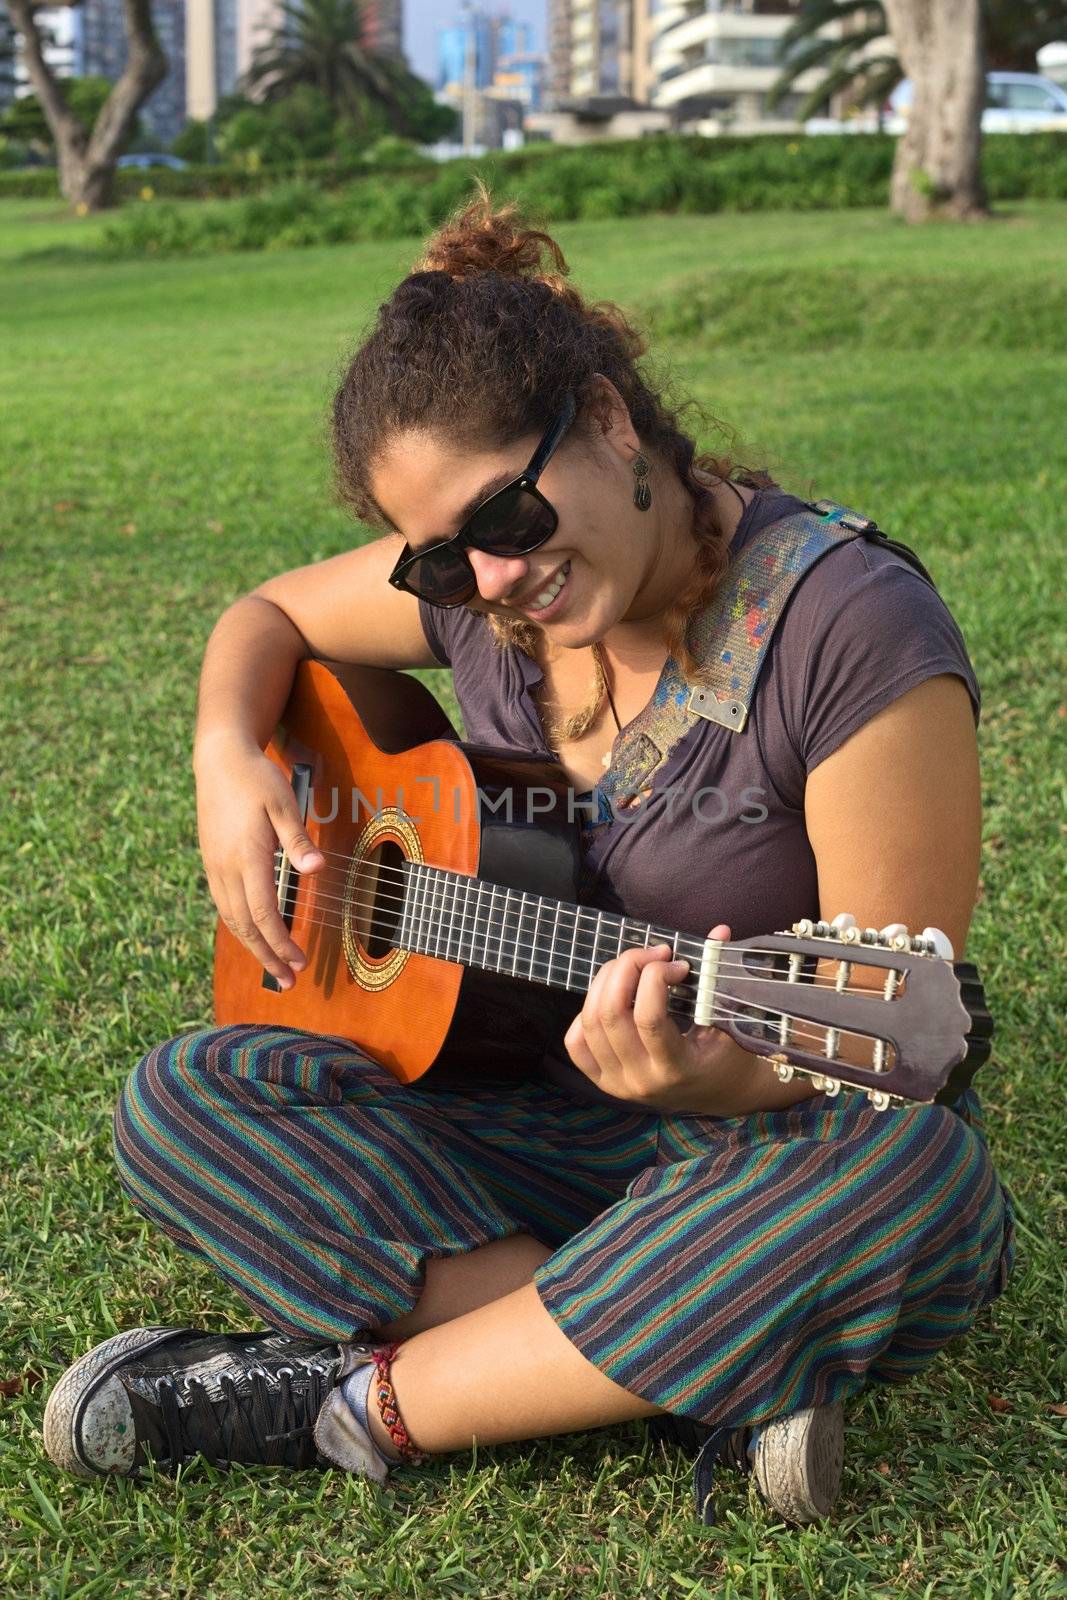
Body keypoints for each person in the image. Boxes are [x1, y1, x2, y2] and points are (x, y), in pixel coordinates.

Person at [43, 191, 1016, 1525]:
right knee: (193, 1097)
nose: (491, 582)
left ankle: (359, 1403)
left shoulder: (849, 629)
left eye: (505, 519)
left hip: (772, 1141)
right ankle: (671, 1348)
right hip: (539, 1108)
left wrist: (707, 1078)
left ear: (608, 420)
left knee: (918, 1186)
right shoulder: (481, 591)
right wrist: (228, 752)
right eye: (443, 561)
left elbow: (900, 1062)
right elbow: (263, 615)